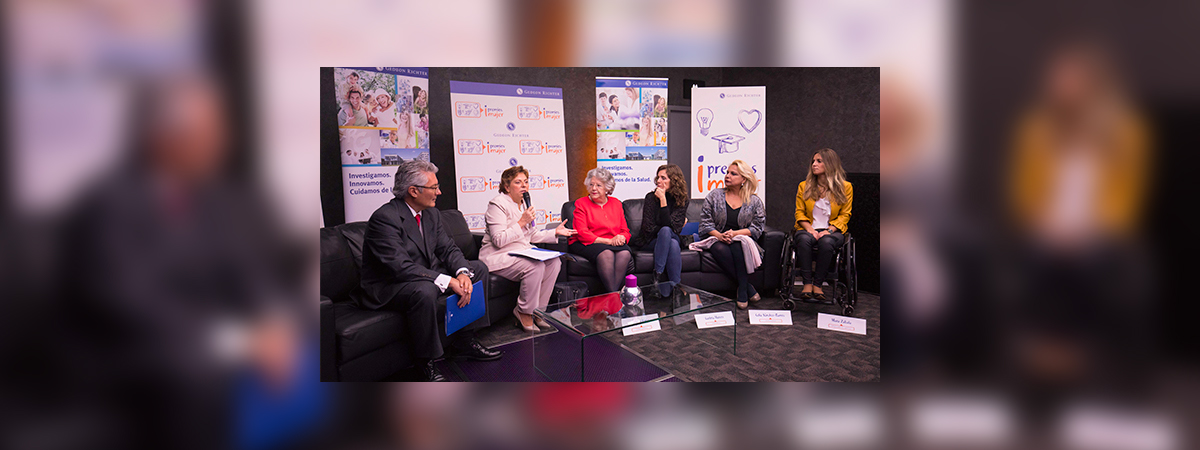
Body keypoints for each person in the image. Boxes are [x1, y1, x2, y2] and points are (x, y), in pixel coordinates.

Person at [353, 160, 502, 382]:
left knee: (476, 269)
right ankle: (424, 362)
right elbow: (399, 266)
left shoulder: (431, 214)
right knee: (424, 291)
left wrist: (461, 272)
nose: (439, 192)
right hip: (390, 285)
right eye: (434, 187)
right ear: (413, 191)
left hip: (422, 275)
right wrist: (448, 281)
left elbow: (448, 248)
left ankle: (465, 340)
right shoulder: (385, 218)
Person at [479, 166, 577, 331]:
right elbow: (498, 240)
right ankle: (524, 311)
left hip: (520, 252)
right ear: (506, 186)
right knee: (535, 266)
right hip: (499, 255)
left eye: (526, 181)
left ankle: (539, 311)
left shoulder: (525, 204)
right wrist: (522, 222)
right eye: (518, 182)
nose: (524, 186)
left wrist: (555, 232)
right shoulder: (497, 204)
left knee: (554, 263)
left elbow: (531, 236)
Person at [699, 159, 766, 308]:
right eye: (727, 172)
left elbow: (758, 227)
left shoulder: (754, 201)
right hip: (717, 238)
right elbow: (705, 222)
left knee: (737, 245)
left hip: (742, 239)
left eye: (733, 174)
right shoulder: (715, 195)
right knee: (717, 247)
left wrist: (735, 233)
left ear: (743, 179)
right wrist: (719, 235)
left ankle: (742, 289)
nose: (727, 176)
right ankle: (746, 287)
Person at [793, 148, 853, 302]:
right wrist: (810, 229)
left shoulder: (846, 187)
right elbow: (799, 213)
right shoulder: (803, 186)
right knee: (804, 239)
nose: (814, 164)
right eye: (813, 161)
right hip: (807, 228)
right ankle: (807, 283)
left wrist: (829, 230)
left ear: (830, 164)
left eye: (819, 161)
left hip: (833, 230)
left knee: (826, 242)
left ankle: (818, 284)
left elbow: (845, 215)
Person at [568, 167, 633, 293]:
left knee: (625, 253)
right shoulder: (581, 203)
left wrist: (622, 237)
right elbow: (582, 233)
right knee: (606, 253)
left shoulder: (616, 204)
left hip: (612, 241)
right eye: (591, 185)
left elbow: (625, 230)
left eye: (598, 185)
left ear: (607, 188)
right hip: (587, 242)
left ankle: (611, 295)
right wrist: (608, 242)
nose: (593, 188)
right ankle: (614, 295)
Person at [630, 164, 689, 295]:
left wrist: (663, 200)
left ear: (674, 180)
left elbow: (675, 228)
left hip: (670, 237)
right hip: (650, 240)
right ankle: (676, 287)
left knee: (669, 235)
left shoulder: (682, 200)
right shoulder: (650, 198)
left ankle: (657, 279)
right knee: (667, 234)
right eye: (658, 177)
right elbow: (648, 228)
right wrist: (666, 230)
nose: (658, 181)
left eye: (663, 178)